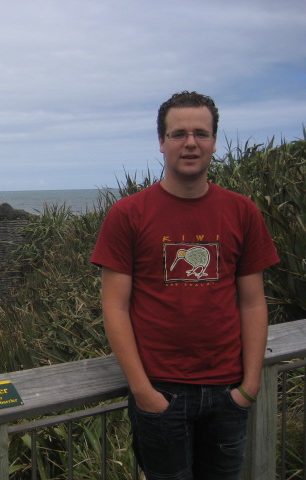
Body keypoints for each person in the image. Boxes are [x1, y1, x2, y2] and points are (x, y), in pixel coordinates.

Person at [90, 91, 280, 480]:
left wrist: (249, 386)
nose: (190, 142)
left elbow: (253, 303)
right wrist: (144, 392)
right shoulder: (128, 215)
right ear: (162, 142)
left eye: (201, 133)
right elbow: (115, 307)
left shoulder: (242, 211)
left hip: (228, 391)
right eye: (178, 134)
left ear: (213, 142)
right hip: (162, 392)